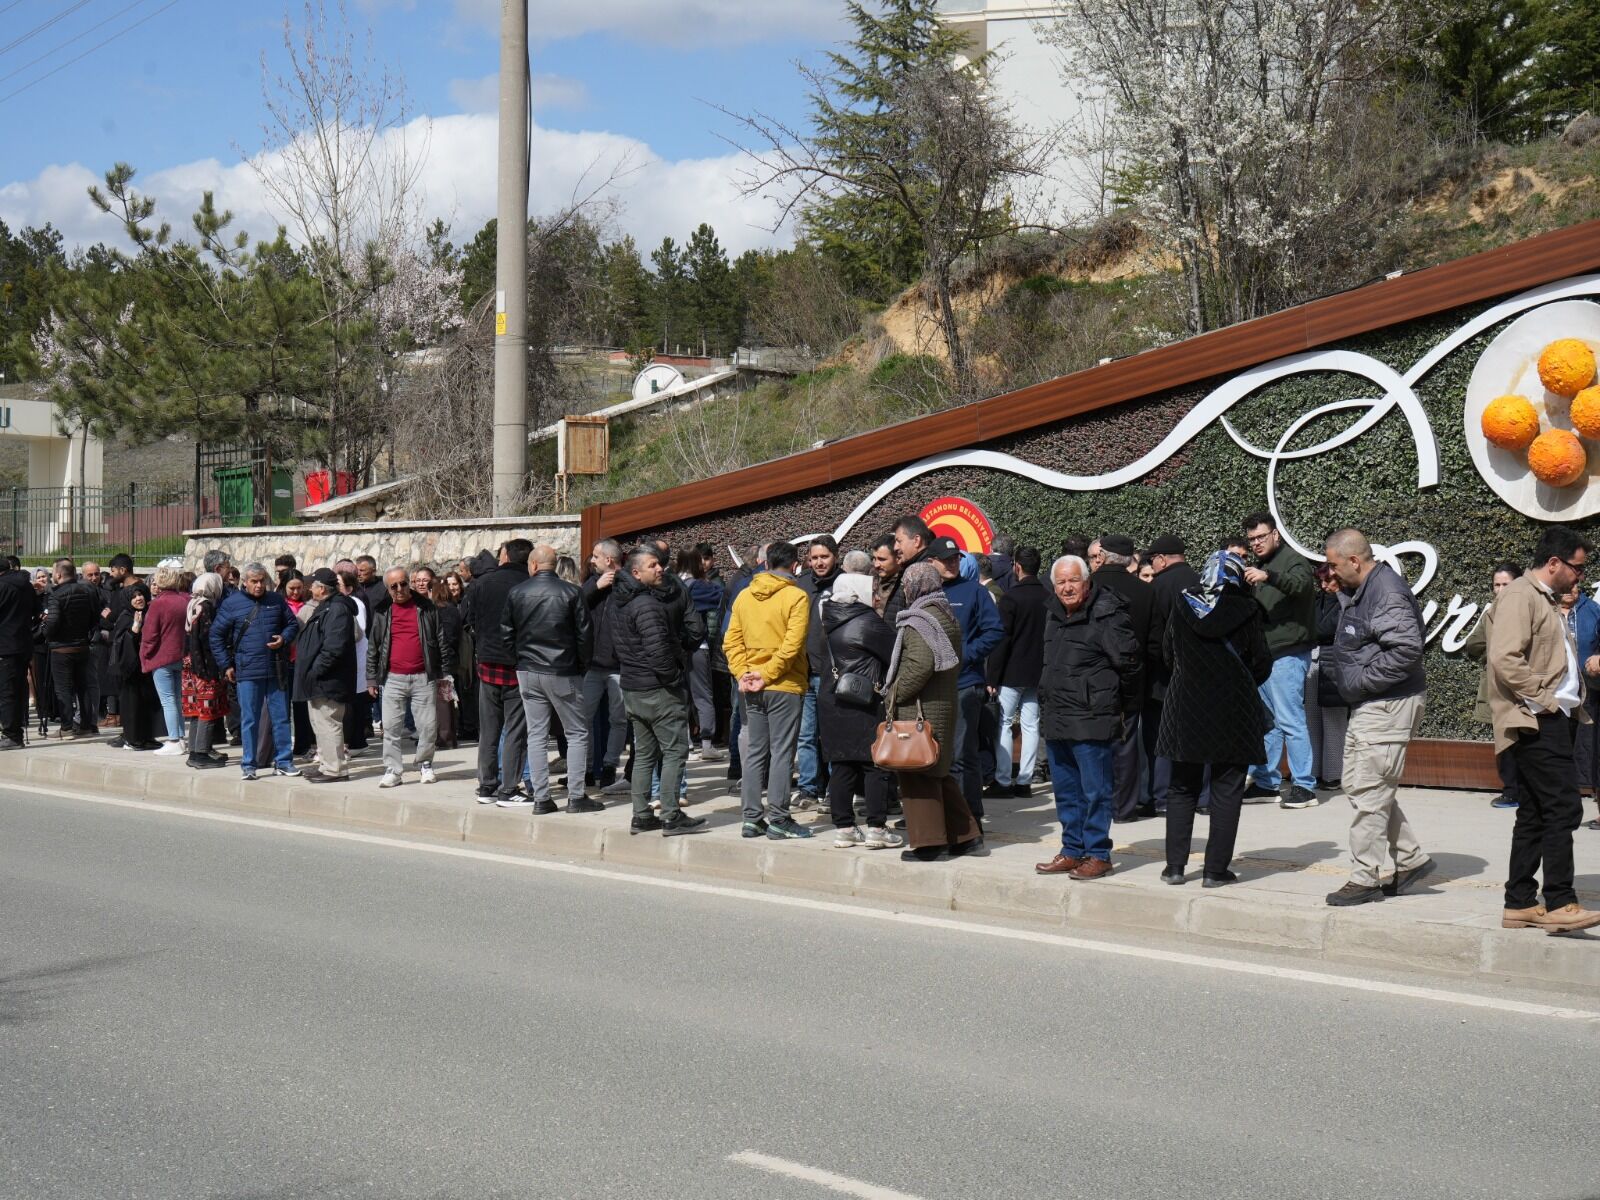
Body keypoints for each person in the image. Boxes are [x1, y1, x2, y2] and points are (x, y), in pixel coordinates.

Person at [1485, 526, 1600, 932]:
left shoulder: (1541, 599)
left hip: (1554, 718)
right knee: (1563, 807)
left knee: (1534, 812)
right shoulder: (1521, 595)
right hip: (1538, 719)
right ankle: (1560, 902)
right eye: (1577, 568)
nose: (1580, 577)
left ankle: (1518, 902)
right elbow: (1504, 658)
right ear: (1555, 563)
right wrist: (1545, 700)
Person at [1321, 529, 1433, 907]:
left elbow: (1406, 650)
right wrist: (1338, 591)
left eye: (1335, 565)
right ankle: (1412, 858)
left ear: (1355, 560)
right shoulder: (1365, 589)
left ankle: (1364, 877)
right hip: (1375, 703)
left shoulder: (1386, 590)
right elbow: (1368, 632)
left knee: (1369, 791)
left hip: (1387, 704)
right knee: (1360, 784)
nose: (1331, 571)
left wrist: (1361, 683)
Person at [1157, 551, 1271, 886]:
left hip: (1185, 706)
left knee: (1181, 787)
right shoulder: (1247, 608)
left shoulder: (1183, 604)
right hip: (1234, 711)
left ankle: (1175, 867)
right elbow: (1261, 662)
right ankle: (1214, 871)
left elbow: (1167, 654)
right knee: (1227, 789)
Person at [1034, 555, 1141, 880]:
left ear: (1087, 581)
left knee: (1095, 791)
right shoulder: (1052, 613)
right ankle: (1072, 849)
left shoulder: (1106, 612)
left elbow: (1130, 664)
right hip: (1057, 717)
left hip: (1092, 716)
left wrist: (1120, 707)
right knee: (1066, 791)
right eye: (1061, 582)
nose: (1067, 587)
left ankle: (1098, 853)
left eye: (1073, 581)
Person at [881, 561, 982, 861]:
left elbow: (920, 665)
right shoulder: (944, 612)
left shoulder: (919, 619)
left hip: (919, 709)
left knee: (917, 775)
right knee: (938, 772)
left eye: (907, 585)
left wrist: (893, 693)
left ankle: (929, 845)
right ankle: (965, 837)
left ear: (915, 586)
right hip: (942, 704)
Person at [612, 547, 707, 836]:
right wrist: (674, 677)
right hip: (657, 689)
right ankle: (671, 814)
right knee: (674, 751)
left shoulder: (622, 600)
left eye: (659, 564)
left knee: (644, 754)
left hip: (634, 687)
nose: (660, 568)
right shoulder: (645, 604)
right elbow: (658, 652)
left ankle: (641, 815)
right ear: (636, 573)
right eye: (652, 565)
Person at [724, 540, 812, 840]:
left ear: (764, 563)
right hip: (783, 684)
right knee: (782, 753)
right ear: (794, 565)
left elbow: (731, 641)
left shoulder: (745, 596)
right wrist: (767, 674)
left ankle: (751, 818)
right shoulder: (797, 597)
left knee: (755, 753)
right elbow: (792, 645)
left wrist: (744, 674)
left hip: (752, 684)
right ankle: (779, 817)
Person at [497, 544, 595, 813]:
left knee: (536, 734)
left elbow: (506, 633)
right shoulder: (572, 592)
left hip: (528, 670)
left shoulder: (517, 592)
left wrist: (519, 660)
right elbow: (585, 636)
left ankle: (541, 798)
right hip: (563, 670)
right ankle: (576, 796)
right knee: (576, 732)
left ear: (533, 565)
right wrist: (581, 666)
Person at [1241, 511, 1319, 808]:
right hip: (1267, 656)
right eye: (1252, 539)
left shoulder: (1291, 560)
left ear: (1275, 534)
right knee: (1269, 723)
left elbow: (1301, 586)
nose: (1257, 543)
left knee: (1290, 720)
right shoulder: (1263, 564)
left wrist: (1268, 576)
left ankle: (1304, 786)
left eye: (1261, 536)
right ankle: (1266, 783)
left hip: (1287, 653)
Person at [818, 572, 902, 849]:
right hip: (864, 701)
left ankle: (844, 828)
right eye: (873, 590)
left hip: (833, 699)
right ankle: (876, 827)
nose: (877, 596)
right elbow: (895, 654)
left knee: (842, 764)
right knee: (874, 763)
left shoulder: (828, 617)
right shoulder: (867, 621)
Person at [927, 536, 1003, 824]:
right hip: (930, 687)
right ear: (930, 562)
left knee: (961, 753)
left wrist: (964, 655)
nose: (951, 563)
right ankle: (937, 815)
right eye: (945, 559)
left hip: (964, 684)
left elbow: (994, 631)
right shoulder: (923, 594)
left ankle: (967, 816)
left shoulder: (974, 592)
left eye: (955, 558)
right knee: (931, 754)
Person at [1090, 534, 1159, 822]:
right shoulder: (1145, 591)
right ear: (1131, 559)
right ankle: (1124, 808)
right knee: (1128, 742)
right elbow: (1156, 641)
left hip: (1090, 676)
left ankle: (1097, 805)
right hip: (1132, 674)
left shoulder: (1088, 587)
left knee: (1091, 743)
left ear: (1102, 557)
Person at [367, 567, 455, 788]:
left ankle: (425, 763)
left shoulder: (426, 608)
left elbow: (441, 640)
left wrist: (444, 674)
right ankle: (393, 770)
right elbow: (373, 647)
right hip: (392, 678)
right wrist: (371, 678)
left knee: (427, 726)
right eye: (394, 586)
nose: (400, 589)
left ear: (410, 583)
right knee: (391, 728)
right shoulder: (381, 611)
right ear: (388, 589)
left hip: (423, 677)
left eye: (403, 584)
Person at [211, 563, 299, 780]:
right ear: (245, 582)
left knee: (281, 719)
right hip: (248, 671)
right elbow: (216, 636)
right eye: (254, 581)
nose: (259, 585)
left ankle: (284, 761)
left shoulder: (276, 600)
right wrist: (226, 665)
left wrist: (284, 638)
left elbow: (292, 624)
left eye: (262, 581)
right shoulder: (232, 604)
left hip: (275, 669)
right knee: (250, 720)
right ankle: (249, 764)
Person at [465, 539, 534, 801]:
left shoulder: (482, 583)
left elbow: (469, 621)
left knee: (489, 730)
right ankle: (508, 788)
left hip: (487, 663)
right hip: (518, 664)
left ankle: (487, 785)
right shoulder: (528, 584)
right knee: (515, 730)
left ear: (505, 555)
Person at [1146, 534, 1199, 813]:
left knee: (1163, 737)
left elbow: (1155, 635)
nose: (1152, 566)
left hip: (1166, 677)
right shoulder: (1201, 581)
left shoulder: (1159, 586)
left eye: (1152, 560)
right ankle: (1200, 797)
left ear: (1162, 559)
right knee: (1196, 735)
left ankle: (1163, 798)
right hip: (1198, 674)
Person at [1463, 563, 1523, 810]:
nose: (1500, 589)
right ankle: (1511, 791)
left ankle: (1521, 792)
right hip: (1500, 687)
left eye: (1505, 584)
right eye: (1496, 585)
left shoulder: (1526, 609)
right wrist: (1493, 655)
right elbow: (1474, 643)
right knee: (1506, 740)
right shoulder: (1492, 612)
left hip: (1522, 687)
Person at [988, 546, 1046, 800]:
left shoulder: (1011, 598)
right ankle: (1025, 780)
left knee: (1003, 723)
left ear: (1017, 567)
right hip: (1038, 670)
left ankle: (1002, 779)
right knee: (1032, 725)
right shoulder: (1048, 597)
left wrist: (992, 676)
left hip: (1012, 671)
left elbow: (1003, 641)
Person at [294, 568, 357, 783]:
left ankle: (335, 769)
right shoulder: (328, 607)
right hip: (321, 679)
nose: (309, 587)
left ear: (321, 588)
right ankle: (327, 764)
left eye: (312, 584)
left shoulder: (337, 609)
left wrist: (315, 671)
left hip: (328, 680)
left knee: (328, 722)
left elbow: (334, 648)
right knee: (320, 723)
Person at [795, 536, 843, 805]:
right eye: (814, 558)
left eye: (824, 557)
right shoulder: (801, 584)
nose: (819, 562)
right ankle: (808, 788)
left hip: (835, 674)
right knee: (806, 735)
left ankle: (836, 790)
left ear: (835, 556)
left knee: (833, 735)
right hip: (806, 673)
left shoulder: (844, 583)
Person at [583, 539, 629, 794]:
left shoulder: (628, 583)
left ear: (609, 560)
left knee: (618, 719)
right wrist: (595, 588)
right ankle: (588, 768)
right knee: (583, 719)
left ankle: (610, 767)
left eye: (596, 557)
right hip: (593, 665)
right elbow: (576, 605)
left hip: (619, 666)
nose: (592, 561)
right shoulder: (593, 582)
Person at [42, 558, 101, 738]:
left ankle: (66, 727)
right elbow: (94, 617)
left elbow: (52, 622)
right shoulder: (87, 590)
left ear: (59, 574)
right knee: (82, 687)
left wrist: (45, 631)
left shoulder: (56, 594)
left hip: (61, 648)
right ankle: (86, 725)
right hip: (82, 646)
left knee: (63, 689)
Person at [1305, 563, 1349, 791]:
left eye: (1328, 581)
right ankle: (1313, 771)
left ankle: (1333, 774)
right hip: (1314, 658)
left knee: (1334, 721)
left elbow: (1331, 628)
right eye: (1321, 581)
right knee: (1311, 719)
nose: (1324, 585)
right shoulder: (1317, 599)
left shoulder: (1347, 600)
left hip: (1335, 660)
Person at [678, 548, 725, 761]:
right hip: (698, 647)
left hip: (676, 648)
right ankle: (706, 743)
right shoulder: (701, 587)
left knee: (681, 696)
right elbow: (723, 596)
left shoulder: (671, 585)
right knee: (704, 695)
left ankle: (685, 743)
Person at [140, 565, 190, 755]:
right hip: (179, 654)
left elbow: (150, 635)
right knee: (176, 699)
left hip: (161, 657)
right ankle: (180, 738)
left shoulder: (158, 604)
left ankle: (174, 739)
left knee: (168, 700)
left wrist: (145, 654)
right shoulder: (184, 600)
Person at [181, 573, 229, 770]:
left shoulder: (192, 602)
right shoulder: (207, 606)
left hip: (189, 665)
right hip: (204, 666)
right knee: (207, 709)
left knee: (195, 710)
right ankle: (201, 753)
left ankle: (196, 749)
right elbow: (207, 639)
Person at [109, 584, 162, 750]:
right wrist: (134, 630)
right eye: (134, 596)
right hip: (130, 669)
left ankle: (147, 736)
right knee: (132, 704)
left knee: (147, 702)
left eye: (141, 595)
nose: (139, 599)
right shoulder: (126, 617)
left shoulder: (148, 614)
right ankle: (133, 739)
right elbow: (119, 642)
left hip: (146, 666)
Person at [0, 555, 39, 750]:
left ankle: (11, 734)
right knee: (18, 689)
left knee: (7, 691)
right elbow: (37, 610)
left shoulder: (2, 586)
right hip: (23, 644)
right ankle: (16, 730)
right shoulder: (25, 585)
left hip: (5, 646)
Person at [428, 578, 465, 750]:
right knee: (447, 700)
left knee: (442, 700)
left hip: (440, 661)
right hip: (451, 659)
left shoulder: (435, 611)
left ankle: (444, 737)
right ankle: (450, 736)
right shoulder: (453, 610)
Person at [338, 570, 372, 756]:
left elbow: (358, 631)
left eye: (339, 585)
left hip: (356, 655)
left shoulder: (355, 603)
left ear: (349, 588)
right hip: (351, 657)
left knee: (356, 700)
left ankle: (356, 740)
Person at [882, 516, 935, 621]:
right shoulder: (909, 568)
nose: (895, 547)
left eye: (899, 541)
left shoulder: (924, 573)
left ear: (916, 540)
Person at [869, 534, 898, 616]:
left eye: (882, 559)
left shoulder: (905, 584)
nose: (876, 565)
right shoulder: (872, 578)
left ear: (897, 557)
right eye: (874, 559)